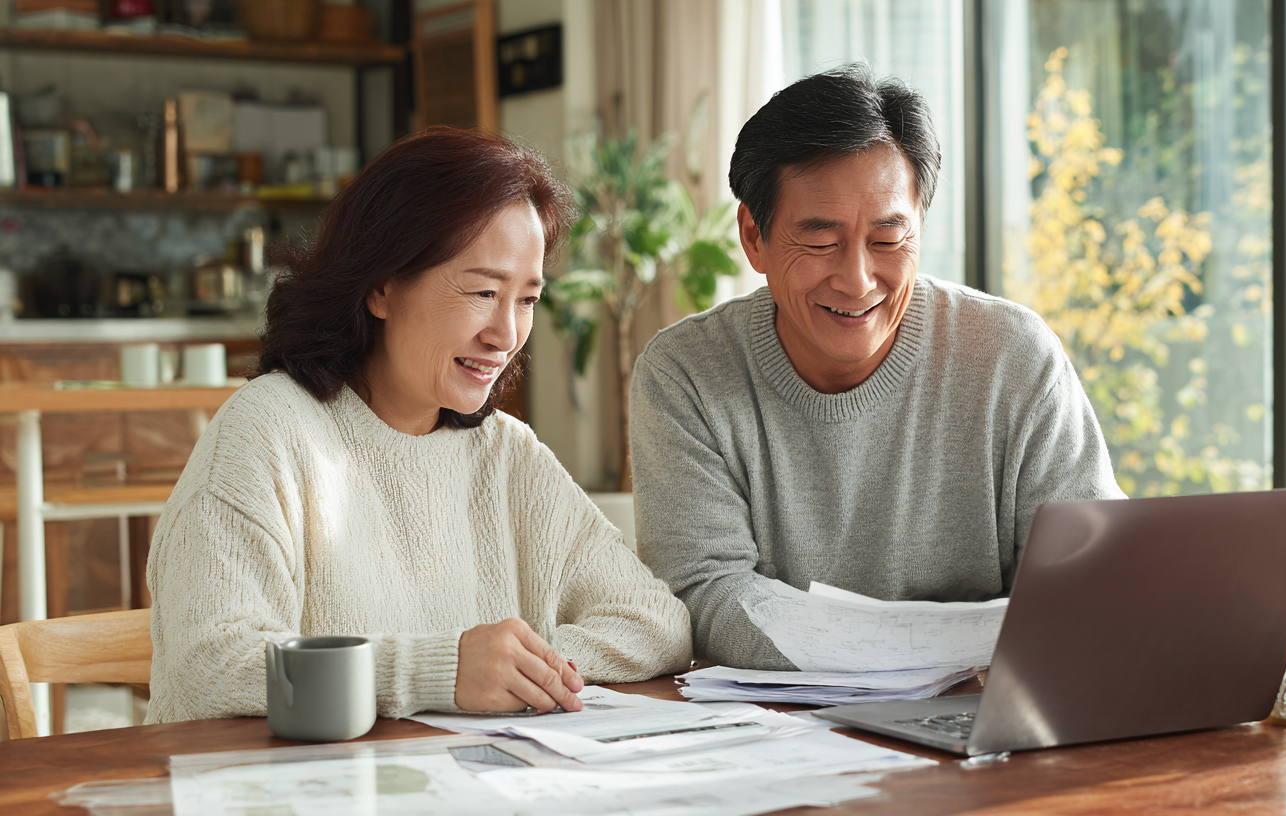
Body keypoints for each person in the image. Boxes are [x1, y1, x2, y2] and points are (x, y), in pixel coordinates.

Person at [146, 127, 692, 723]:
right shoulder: (269, 429)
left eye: (528, 299)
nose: (505, 335)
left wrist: (522, 668)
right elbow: (207, 667)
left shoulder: (506, 453)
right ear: (381, 286)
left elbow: (657, 623)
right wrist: (440, 671)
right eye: (483, 291)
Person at [630, 66, 1124, 670]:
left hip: (983, 718)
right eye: (820, 240)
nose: (858, 279)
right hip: (787, 736)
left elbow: (1094, 577)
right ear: (754, 236)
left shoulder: (1012, 356)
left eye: (889, 239)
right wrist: (914, 653)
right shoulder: (686, 372)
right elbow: (704, 594)